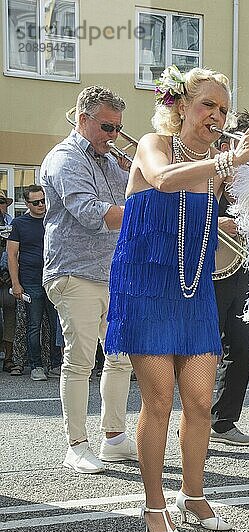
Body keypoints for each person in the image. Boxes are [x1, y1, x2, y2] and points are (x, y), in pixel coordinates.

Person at [104, 65, 249, 532]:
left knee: (201, 402)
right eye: (208, 105)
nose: (217, 116)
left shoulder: (220, 161)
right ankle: (154, 504)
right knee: (159, 401)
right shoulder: (151, 144)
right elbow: (162, 181)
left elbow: (225, 223)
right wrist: (230, 162)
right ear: (180, 106)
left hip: (194, 286)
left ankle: (194, 495)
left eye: (223, 109)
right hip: (146, 286)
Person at [40, 86, 136, 474]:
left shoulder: (110, 160)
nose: (113, 136)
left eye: (118, 128)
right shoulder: (64, 159)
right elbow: (90, 211)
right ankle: (75, 445)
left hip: (111, 271)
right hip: (73, 271)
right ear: (82, 120)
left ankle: (113, 438)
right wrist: (144, 213)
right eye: (107, 127)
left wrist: (141, 173)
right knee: (79, 362)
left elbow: (131, 196)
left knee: (120, 358)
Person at [210, 111, 249, 446]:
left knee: (242, 347)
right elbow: (183, 214)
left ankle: (224, 421)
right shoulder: (209, 166)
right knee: (203, 351)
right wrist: (217, 225)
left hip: (244, 268)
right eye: (237, 137)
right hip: (209, 271)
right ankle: (193, 424)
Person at [7, 185, 62, 381]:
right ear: (27, 204)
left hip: (54, 278)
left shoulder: (53, 220)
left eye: (43, 201)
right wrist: (16, 283)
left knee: (58, 325)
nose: (41, 205)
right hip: (30, 281)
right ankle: (36, 365)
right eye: (36, 202)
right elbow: (12, 256)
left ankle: (56, 364)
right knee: (33, 325)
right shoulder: (19, 223)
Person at [0, 191, 16, 373]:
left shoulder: (12, 223)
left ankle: (9, 358)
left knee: (11, 318)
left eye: (2, 202)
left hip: (8, 277)